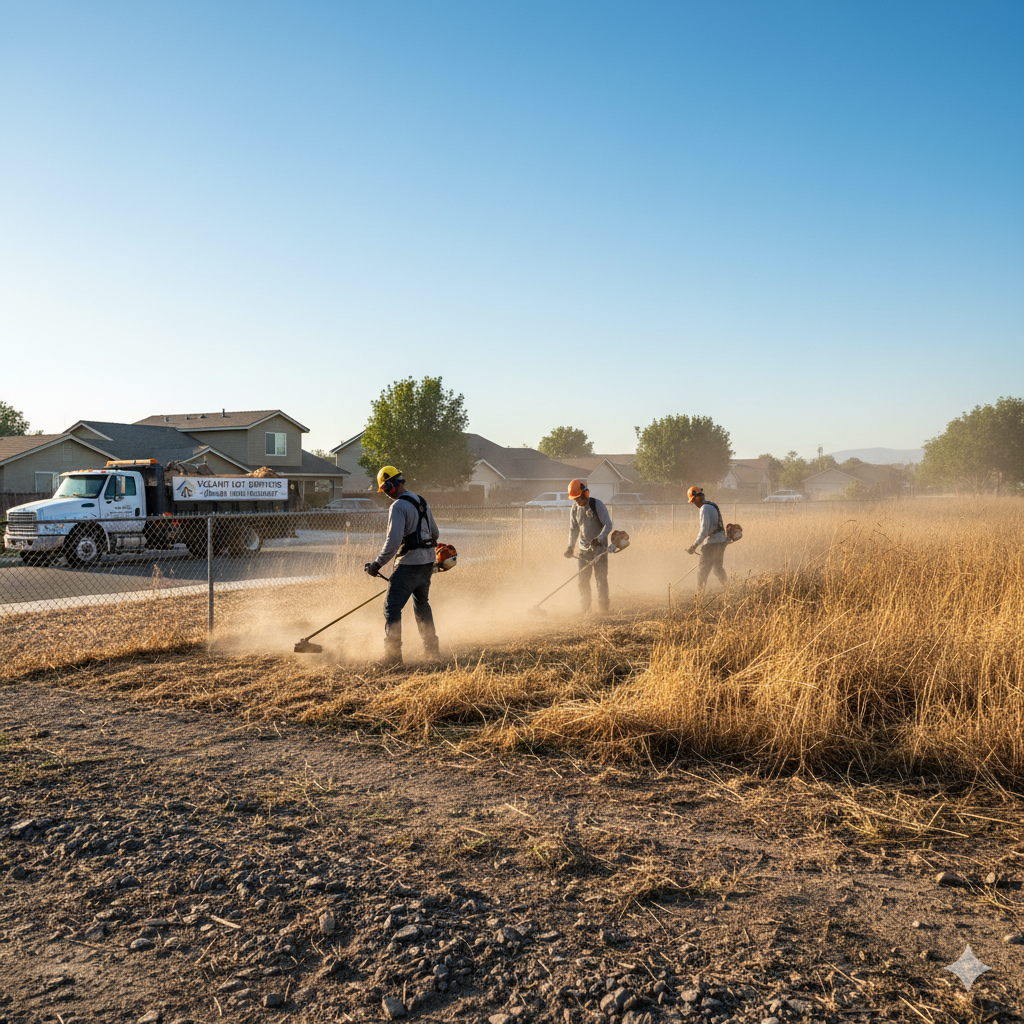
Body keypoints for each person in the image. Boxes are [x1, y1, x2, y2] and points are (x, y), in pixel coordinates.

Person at [364, 466, 440, 666]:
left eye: (386, 488)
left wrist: (376, 564)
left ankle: (392, 658)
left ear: (393, 484)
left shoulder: (397, 507)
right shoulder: (421, 500)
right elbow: (435, 533)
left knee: (392, 608)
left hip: (409, 565)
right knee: (422, 605)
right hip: (427, 563)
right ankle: (432, 651)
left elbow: (393, 541)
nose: (387, 494)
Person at [564, 478, 614, 614]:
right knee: (583, 581)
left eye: (579, 499)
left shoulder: (597, 505)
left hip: (600, 550)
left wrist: (599, 539)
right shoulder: (574, 509)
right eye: (575, 500)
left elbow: (608, 524)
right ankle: (585, 609)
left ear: (585, 494)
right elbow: (573, 529)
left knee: (601, 579)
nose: (578, 503)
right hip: (583, 551)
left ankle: (604, 609)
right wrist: (570, 547)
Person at [686, 484, 728, 592]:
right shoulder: (712, 505)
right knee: (717, 568)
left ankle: (699, 598)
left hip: (711, 544)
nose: (694, 504)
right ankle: (729, 590)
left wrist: (694, 546)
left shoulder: (704, 509)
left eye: (693, 501)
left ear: (697, 497)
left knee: (702, 572)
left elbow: (704, 530)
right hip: (721, 542)